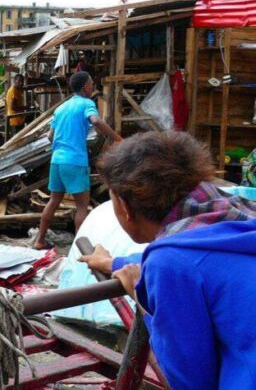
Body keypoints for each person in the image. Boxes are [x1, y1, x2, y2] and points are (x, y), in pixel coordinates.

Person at [80, 131, 256, 390]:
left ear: (125, 207)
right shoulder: (240, 217)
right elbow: (201, 257)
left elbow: (191, 381)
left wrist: (142, 301)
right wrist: (113, 263)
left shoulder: (170, 263)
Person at [32, 71, 122, 249]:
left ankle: (40, 240)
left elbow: (51, 136)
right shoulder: (87, 103)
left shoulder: (61, 108)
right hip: (75, 161)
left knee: (53, 201)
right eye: (91, 83)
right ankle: (78, 248)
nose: (93, 86)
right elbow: (96, 120)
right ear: (85, 87)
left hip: (56, 161)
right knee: (82, 206)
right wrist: (117, 138)